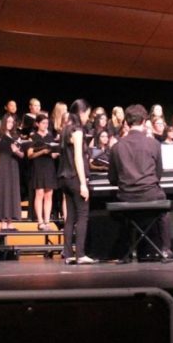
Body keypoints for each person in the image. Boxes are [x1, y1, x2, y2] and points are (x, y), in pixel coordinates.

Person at [108, 104, 173, 262]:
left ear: (126, 122)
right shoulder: (153, 144)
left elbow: (112, 179)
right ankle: (165, 249)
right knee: (163, 208)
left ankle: (125, 252)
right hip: (150, 194)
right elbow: (158, 175)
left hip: (126, 196)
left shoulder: (116, 147)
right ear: (144, 121)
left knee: (124, 212)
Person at [57, 99, 93, 264]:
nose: (88, 117)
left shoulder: (64, 130)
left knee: (70, 217)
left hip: (63, 178)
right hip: (74, 178)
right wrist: (83, 184)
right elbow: (78, 157)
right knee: (83, 215)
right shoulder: (77, 131)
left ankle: (68, 254)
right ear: (82, 112)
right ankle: (80, 254)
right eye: (87, 113)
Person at [0, 113, 24, 232]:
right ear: (4, 122)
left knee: (12, 191)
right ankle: (3, 222)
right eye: (8, 121)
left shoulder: (16, 136)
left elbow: (22, 155)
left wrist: (16, 151)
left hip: (13, 165)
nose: (10, 124)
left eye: (12, 122)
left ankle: (10, 221)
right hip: (3, 165)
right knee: (3, 190)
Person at [27, 113, 59, 232]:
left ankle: (47, 221)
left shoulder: (50, 137)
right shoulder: (33, 137)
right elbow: (29, 155)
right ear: (37, 124)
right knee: (39, 193)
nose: (45, 125)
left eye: (47, 123)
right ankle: (40, 221)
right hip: (38, 166)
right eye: (43, 123)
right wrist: (42, 152)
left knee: (49, 194)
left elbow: (52, 153)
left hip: (49, 166)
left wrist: (54, 153)